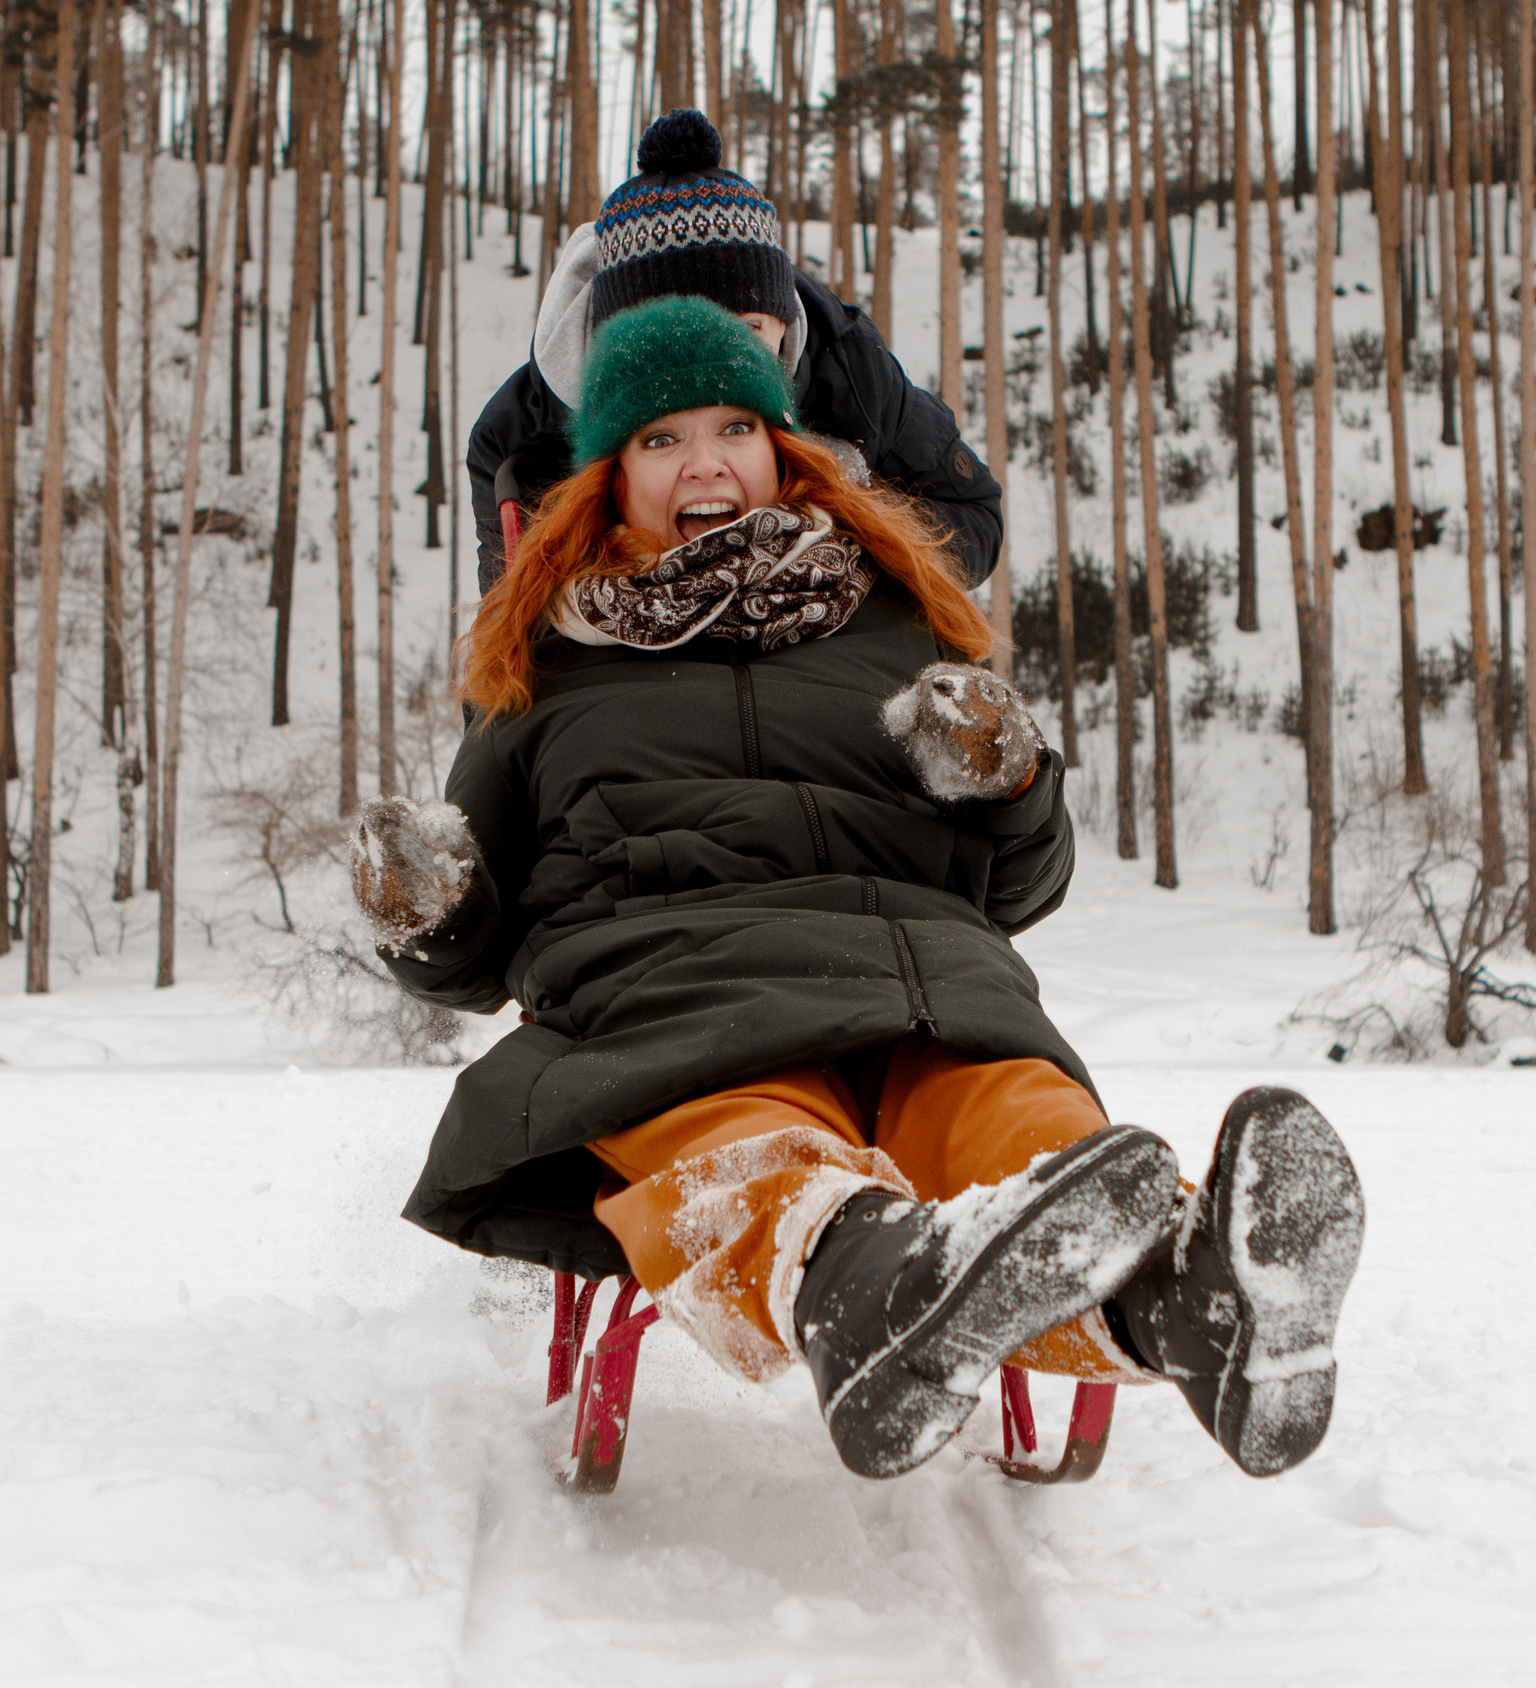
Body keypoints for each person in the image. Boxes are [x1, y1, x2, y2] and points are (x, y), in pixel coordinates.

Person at [357, 295, 1364, 1480]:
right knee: (746, 1140)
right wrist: (430, 904)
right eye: (660, 438)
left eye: (734, 425)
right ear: (607, 477)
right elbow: (476, 958)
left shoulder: (893, 617)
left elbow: (1020, 881)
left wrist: (1006, 780)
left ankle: (1179, 1298)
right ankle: (863, 1286)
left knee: (1017, 1123)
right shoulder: (543, 664)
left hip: (915, 973)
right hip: (667, 993)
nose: (705, 461)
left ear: (779, 445)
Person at [466, 108, 1003, 597]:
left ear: (783, 320)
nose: (717, 356)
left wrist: (835, 555)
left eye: (746, 328)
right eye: (675, 335)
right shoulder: (524, 431)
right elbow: (506, 644)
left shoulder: (847, 369)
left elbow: (972, 514)